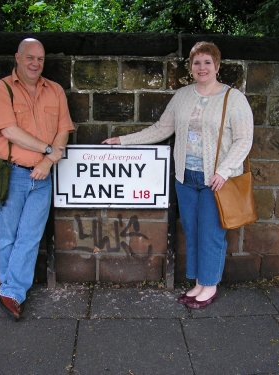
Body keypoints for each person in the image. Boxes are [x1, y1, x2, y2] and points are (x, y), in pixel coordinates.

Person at [102, 41, 253, 309]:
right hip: (186, 177)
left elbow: (243, 140)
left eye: (208, 62)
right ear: (191, 67)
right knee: (193, 232)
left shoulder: (234, 99)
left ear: (217, 66)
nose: (202, 67)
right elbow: (161, 129)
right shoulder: (183, 96)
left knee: (211, 234)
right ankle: (198, 282)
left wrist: (223, 170)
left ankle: (210, 285)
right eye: (197, 62)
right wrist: (122, 141)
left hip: (216, 180)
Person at [0, 38, 74, 320]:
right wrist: (47, 149)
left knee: (30, 236)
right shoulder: (1, 89)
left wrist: (49, 161)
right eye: (30, 57)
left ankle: (11, 291)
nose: (35, 63)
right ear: (17, 57)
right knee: (7, 236)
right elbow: (9, 130)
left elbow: (64, 129)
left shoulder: (55, 90)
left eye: (40, 58)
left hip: (43, 175)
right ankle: (10, 289)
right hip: (10, 173)